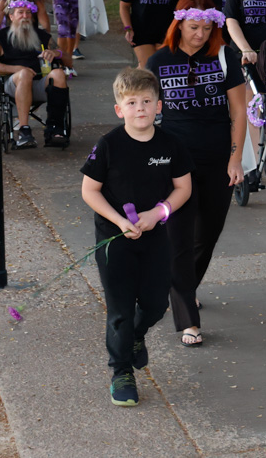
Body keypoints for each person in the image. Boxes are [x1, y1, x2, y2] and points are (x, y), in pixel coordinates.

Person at [80, 67, 193, 406]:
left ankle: (135, 336)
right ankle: (121, 372)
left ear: (159, 106)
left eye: (147, 101)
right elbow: (90, 191)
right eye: (132, 102)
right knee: (120, 310)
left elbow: (183, 188)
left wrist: (158, 213)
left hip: (155, 236)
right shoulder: (109, 145)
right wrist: (118, 221)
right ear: (120, 109)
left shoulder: (171, 143)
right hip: (116, 241)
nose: (140, 108)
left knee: (157, 303)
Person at [145, 0, 247, 348]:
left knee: (208, 232)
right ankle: (188, 318)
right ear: (179, 25)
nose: (200, 34)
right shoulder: (158, 61)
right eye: (193, 27)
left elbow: (238, 111)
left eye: (206, 27)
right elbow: (143, 113)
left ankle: (183, 286)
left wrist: (236, 158)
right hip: (174, 166)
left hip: (217, 157)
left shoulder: (224, 58)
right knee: (178, 239)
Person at [0, 0, 70, 148]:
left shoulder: (42, 36)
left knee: (59, 74)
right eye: (20, 12)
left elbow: (69, 61)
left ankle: (55, 129)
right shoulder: (1, 37)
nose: (25, 16)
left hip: (39, 83)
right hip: (13, 84)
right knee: (24, 74)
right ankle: (24, 131)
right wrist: (17, 69)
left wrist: (56, 53)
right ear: (11, 16)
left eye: (28, 13)